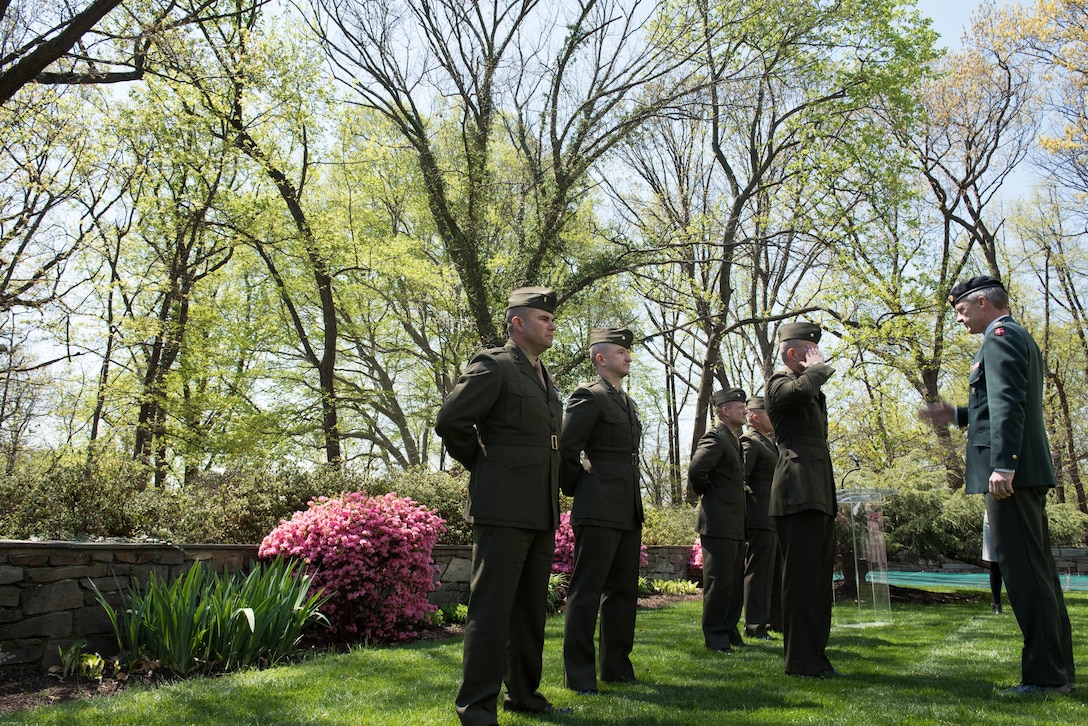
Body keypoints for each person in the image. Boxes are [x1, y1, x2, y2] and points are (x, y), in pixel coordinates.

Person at [920, 275, 1074, 695]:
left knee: (1025, 575)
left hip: (1011, 476)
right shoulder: (1012, 336)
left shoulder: (1000, 336)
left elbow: (1009, 403)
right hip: (1022, 472)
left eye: (960, 310)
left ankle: (1044, 678)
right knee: (1037, 573)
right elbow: (994, 406)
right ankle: (1058, 671)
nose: (959, 319)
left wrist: (1004, 466)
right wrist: (955, 415)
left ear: (983, 302)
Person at [434, 287, 571, 725]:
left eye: (552, 318)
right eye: (544, 318)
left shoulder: (545, 378)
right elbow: (451, 421)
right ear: (518, 323)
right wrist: (482, 462)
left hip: (540, 508)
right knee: (491, 610)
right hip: (502, 507)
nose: (552, 324)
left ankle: (524, 695)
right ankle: (476, 707)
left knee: (530, 610)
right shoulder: (494, 365)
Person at [559, 327, 644, 695]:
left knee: (623, 591)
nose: (628, 356)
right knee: (587, 591)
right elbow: (566, 449)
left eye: (628, 351)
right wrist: (582, 486)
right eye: (621, 351)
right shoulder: (588, 397)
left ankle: (617, 667)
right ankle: (579, 675)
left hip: (627, 505)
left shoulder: (628, 402)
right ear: (600, 358)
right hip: (597, 506)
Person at [766, 321, 840, 678]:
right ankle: (799, 660)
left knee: (817, 581)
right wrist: (819, 369)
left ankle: (816, 656)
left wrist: (815, 374)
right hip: (797, 491)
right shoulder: (778, 384)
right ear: (792, 354)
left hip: (818, 490)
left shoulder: (809, 389)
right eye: (811, 351)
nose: (819, 358)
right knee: (799, 580)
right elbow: (795, 393)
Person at [689, 387, 748, 652]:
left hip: (734, 522)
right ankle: (715, 636)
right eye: (740, 406)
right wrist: (709, 494)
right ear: (724, 410)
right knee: (718, 582)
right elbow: (697, 469)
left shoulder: (734, 439)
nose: (745, 410)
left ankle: (728, 630)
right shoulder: (715, 437)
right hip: (718, 521)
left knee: (734, 583)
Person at [740, 395, 783, 640]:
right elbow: (740, 477)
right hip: (759, 517)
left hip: (772, 517)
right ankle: (755, 625)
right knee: (759, 572)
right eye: (769, 413)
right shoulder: (749, 441)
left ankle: (776, 621)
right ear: (755, 417)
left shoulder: (768, 443)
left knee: (776, 573)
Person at [982, 511, 1004, 614]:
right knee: (995, 564)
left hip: (1015, 515)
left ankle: (1020, 603)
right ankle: (996, 604)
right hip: (993, 516)